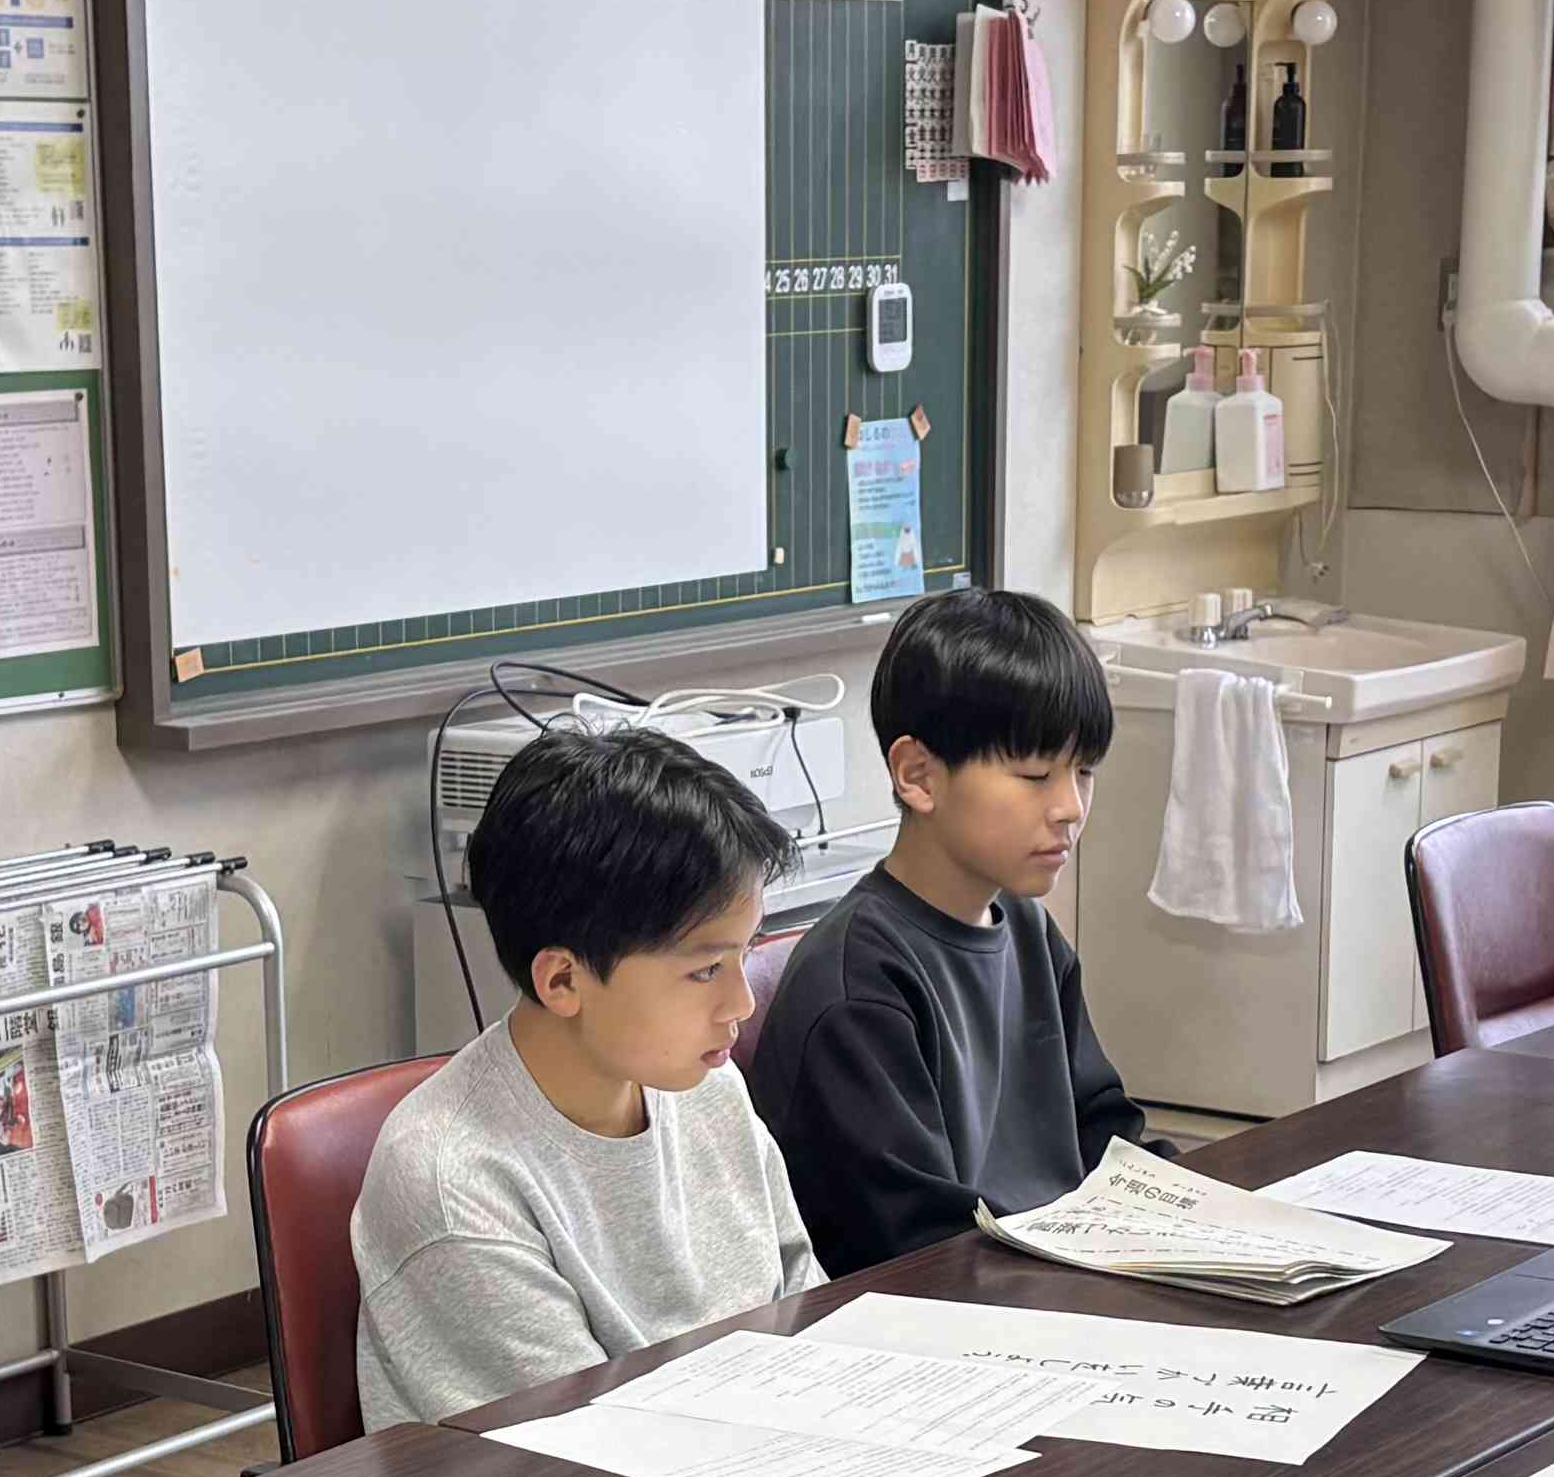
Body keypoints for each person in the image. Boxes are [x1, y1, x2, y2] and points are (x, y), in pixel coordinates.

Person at [353, 726, 818, 1430]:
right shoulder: (455, 1180)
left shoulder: (710, 1089)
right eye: (705, 970)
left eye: (744, 955)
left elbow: (804, 1309)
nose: (742, 1004)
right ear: (564, 980)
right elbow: (575, 1447)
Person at [741, 588, 1146, 1278]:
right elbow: (921, 1244)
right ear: (918, 776)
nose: (1070, 807)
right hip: (961, 1305)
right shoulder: (859, 984)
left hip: (1059, 1276)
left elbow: (1105, 1129)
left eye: (1084, 772)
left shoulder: (1026, 928)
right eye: (1034, 775)